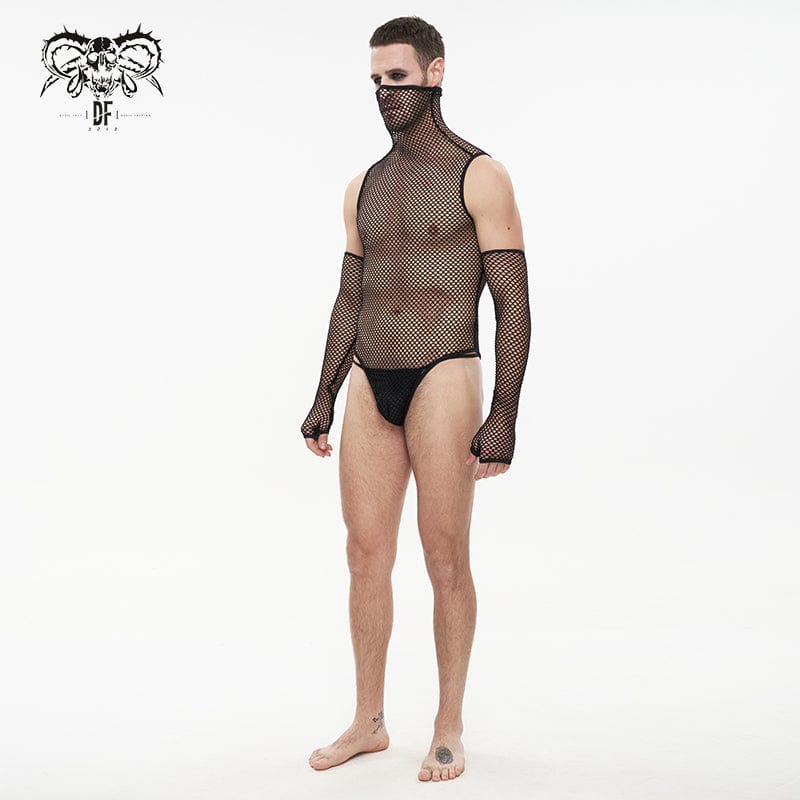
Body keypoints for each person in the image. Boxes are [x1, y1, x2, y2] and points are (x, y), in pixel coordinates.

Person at [300, 15, 531, 782]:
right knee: (364, 553)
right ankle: (368, 721)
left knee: (444, 554)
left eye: (397, 78)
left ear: (435, 73)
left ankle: (448, 724)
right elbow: (350, 294)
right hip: (371, 376)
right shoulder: (362, 186)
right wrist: (324, 392)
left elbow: (512, 300)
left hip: (443, 370)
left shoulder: (480, 174)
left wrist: (505, 412)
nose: (384, 93)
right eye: (375, 81)